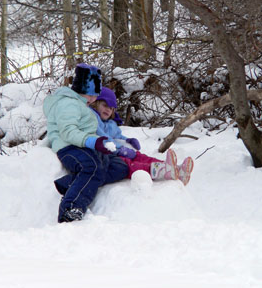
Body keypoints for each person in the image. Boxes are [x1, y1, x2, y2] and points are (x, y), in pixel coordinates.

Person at [43, 63, 129, 223]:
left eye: (95, 95)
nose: (94, 99)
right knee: (92, 167)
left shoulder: (81, 104)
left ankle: (70, 184)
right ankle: (70, 209)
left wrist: (100, 143)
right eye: (91, 95)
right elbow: (68, 132)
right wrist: (92, 141)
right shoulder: (68, 103)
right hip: (69, 147)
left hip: (85, 146)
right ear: (81, 90)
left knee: (119, 166)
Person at [91, 87, 194, 185]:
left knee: (140, 156)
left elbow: (118, 136)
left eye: (111, 108)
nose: (108, 110)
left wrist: (128, 140)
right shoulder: (92, 118)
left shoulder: (110, 123)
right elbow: (102, 137)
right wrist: (120, 149)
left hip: (118, 150)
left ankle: (173, 168)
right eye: (105, 105)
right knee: (129, 163)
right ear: (95, 103)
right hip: (107, 153)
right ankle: (159, 170)